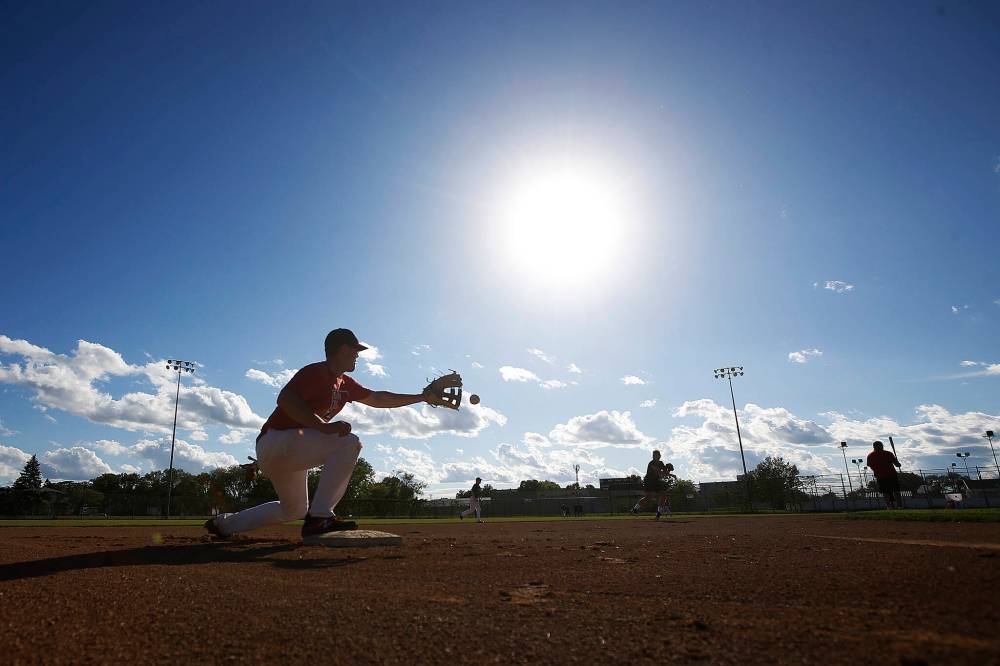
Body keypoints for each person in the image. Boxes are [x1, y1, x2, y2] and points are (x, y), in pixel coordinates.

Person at [205, 328, 442, 540]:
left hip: (286, 451)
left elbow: (378, 398)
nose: (357, 355)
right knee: (349, 443)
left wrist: (421, 397)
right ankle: (320, 517)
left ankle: (224, 525)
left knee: (294, 510)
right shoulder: (316, 372)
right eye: (355, 350)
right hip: (276, 441)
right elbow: (285, 399)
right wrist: (323, 426)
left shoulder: (345, 383)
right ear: (342, 349)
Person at [631, 450, 677, 520]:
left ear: (660, 456)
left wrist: (669, 471)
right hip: (649, 482)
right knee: (648, 497)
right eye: (655, 455)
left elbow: (664, 472)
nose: (656, 456)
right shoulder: (651, 463)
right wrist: (669, 473)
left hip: (656, 481)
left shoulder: (661, 463)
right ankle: (635, 509)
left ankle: (658, 514)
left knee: (664, 494)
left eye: (657, 455)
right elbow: (660, 473)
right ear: (652, 456)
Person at [866, 440, 903, 509]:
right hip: (891, 474)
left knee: (886, 492)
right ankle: (899, 506)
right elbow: (897, 464)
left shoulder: (870, 455)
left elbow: (870, 466)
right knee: (895, 491)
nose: (881, 447)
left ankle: (889, 506)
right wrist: (897, 463)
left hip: (881, 476)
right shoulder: (888, 453)